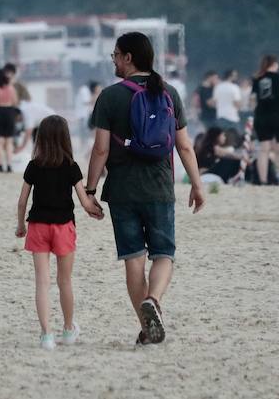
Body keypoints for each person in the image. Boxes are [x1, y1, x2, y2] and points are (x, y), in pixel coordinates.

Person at [85, 31, 206, 347]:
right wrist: (197, 184)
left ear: (127, 57)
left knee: (134, 259)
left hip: (122, 190)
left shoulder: (110, 97)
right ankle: (154, 299)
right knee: (164, 253)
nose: (113, 60)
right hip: (159, 188)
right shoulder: (169, 92)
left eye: (115, 55)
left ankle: (147, 325)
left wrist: (90, 189)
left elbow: (100, 150)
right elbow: (184, 146)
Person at [16, 114, 104, 350]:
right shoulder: (71, 167)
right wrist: (95, 211)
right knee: (64, 281)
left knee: (42, 283)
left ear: (40, 138)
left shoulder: (34, 166)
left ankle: (46, 336)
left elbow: (22, 201)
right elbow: (84, 201)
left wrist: (20, 225)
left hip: (38, 226)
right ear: (66, 138)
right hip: (64, 226)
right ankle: (67, 330)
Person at [249, 55, 279, 186]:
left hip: (262, 115)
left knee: (264, 149)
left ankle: (263, 180)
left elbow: (252, 100)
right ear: (275, 64)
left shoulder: (257, 78)